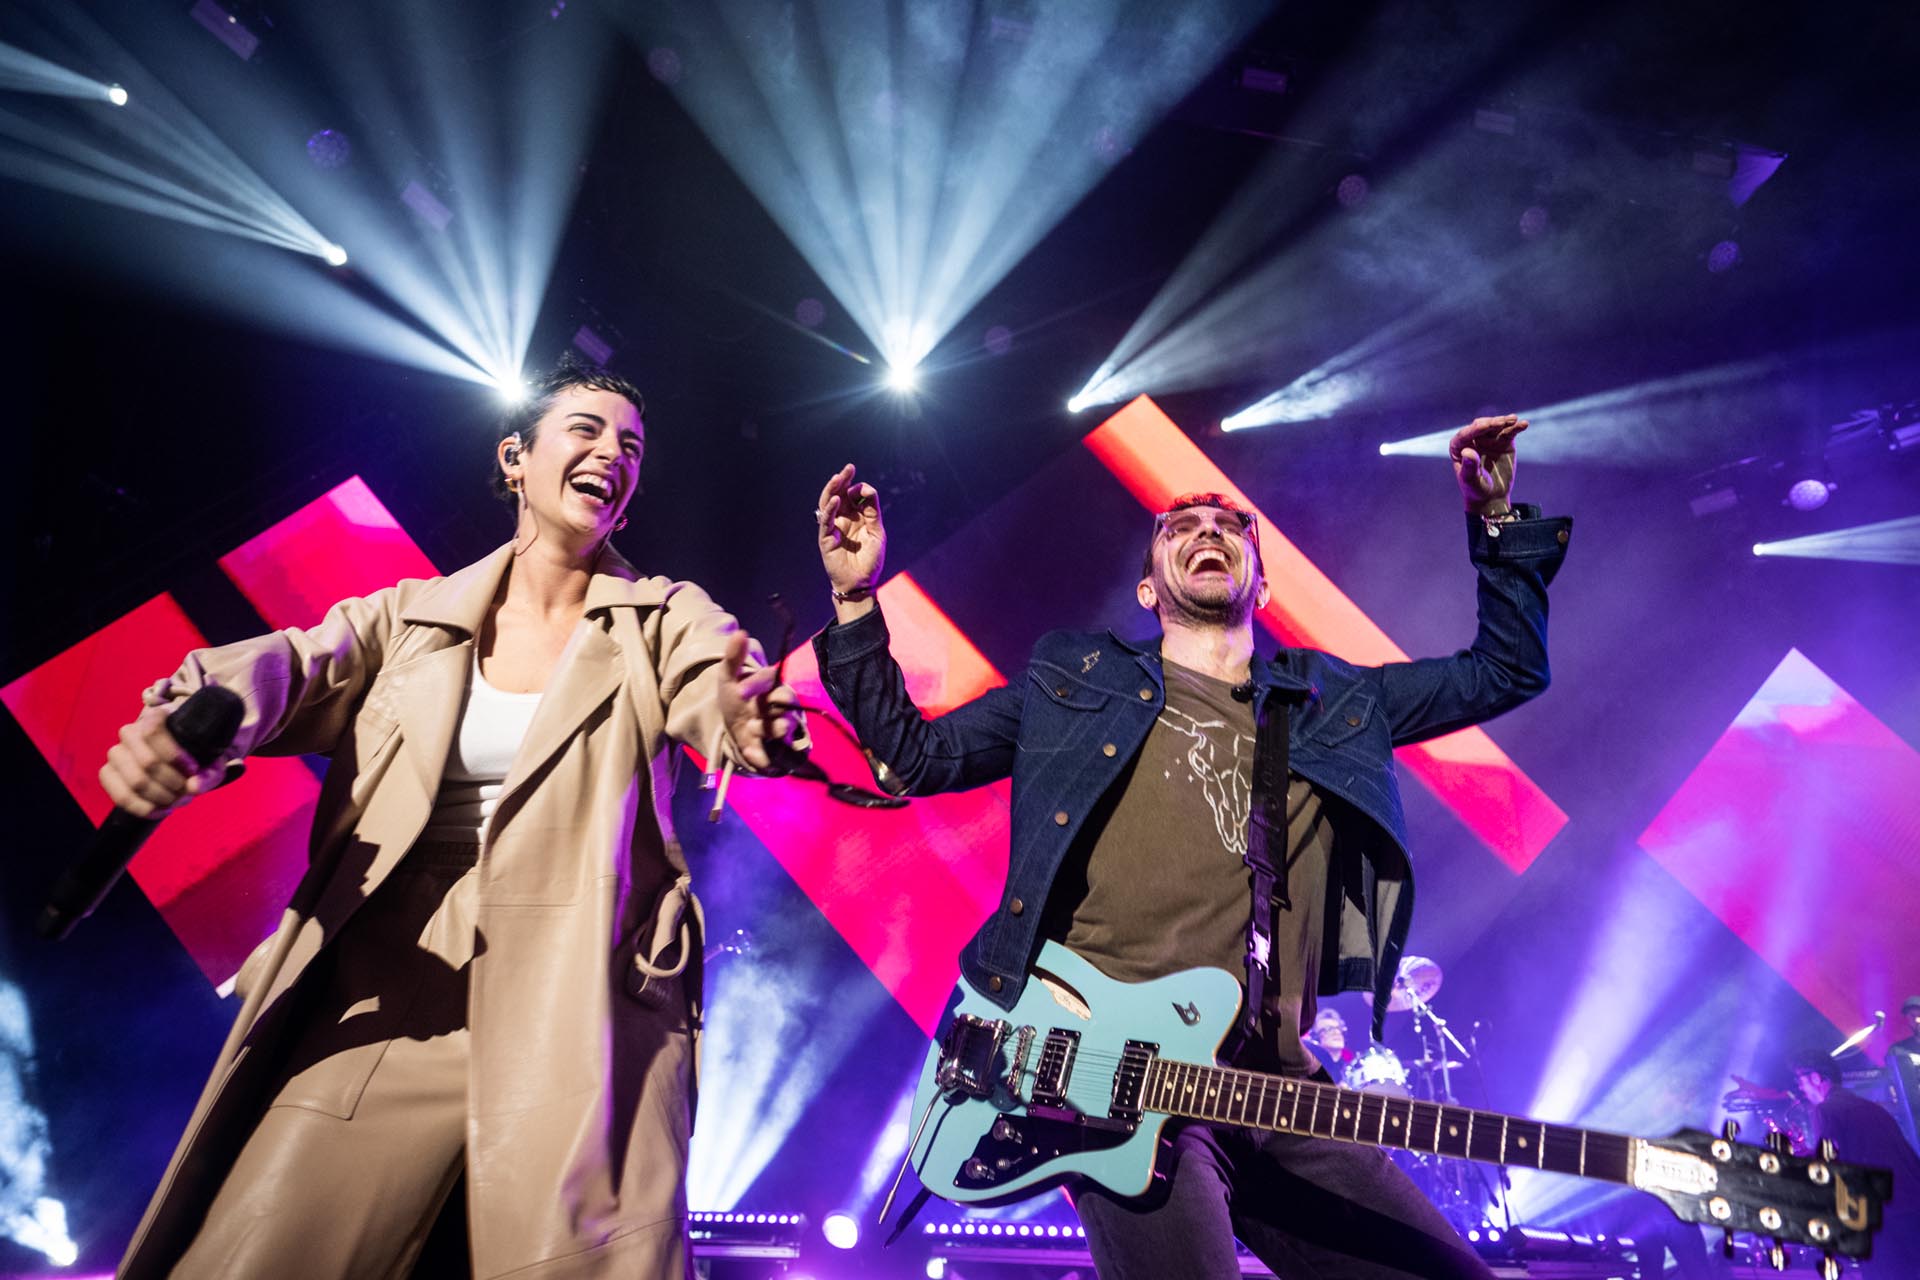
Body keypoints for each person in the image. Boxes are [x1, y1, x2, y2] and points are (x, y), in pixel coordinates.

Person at [811, 414, 1567, 1279]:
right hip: (1111, 1078)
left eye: (1232, 525)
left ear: (1261, 579)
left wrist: (1494, 516)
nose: (1209, 530)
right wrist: (854, 602)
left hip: (1273, 1083)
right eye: (1182, 525)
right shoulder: (1075, 682)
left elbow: (1507, 670)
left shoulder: (1334, 700)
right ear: (1148, 586)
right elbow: (917, 756)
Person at [105, 358, 799, 1280]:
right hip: (390, 987)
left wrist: (754, 721)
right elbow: (280, 670)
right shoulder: (406, 621)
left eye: (630, 446)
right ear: (516, 457)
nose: (611, 455)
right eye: (585, 431)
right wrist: (187, 721)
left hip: (576, 1004)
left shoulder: (660, 617)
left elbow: (719, 685)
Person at [1790, 1053, 1920, 1277]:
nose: (1800, 1088)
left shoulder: (1826, 1109)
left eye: (1800, 1080)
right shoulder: (1871, 1108)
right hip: (1911, 1205)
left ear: (1816, 1078)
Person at [1303, 1008, 1360, 1075]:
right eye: (1329, 1029)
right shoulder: (1312, 1070)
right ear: (1316, 1038)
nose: (1336, 1032)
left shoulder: (1351, 1068)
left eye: (1338, 1028)